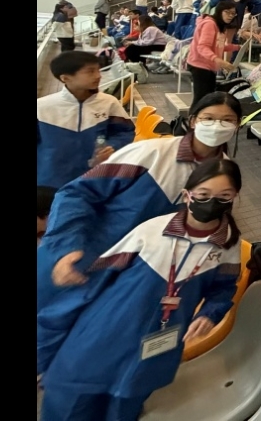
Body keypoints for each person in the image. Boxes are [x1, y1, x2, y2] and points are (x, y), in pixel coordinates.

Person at [37, 92, 243, 373]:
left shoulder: (225, 176)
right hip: (90, 256)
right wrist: (67, 245)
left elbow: (214, 237)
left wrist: (208, 305)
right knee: (55, 319)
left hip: (143, 278)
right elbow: (76, 193)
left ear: (237, 125)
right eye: (209, 118)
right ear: (193, 120)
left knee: (98, 343)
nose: (217, 126)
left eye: (227, 120)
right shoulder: (152, 154)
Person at [38, 158, 243, 421]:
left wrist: (209, 314)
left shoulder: (228, 245)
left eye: (224, 196)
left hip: (158, 344)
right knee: (71, 404)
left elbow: (223, 288)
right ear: (187, 195)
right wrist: (47, 343)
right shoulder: (151, 231)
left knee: (125, 407)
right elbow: (95, 280)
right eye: (203, 195)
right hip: (103, 336)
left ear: (234, 197)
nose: (212, 203)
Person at [37, 51, 134, 190]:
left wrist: (112, 146)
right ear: (65, 78)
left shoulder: (109, 103)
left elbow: (125, 132)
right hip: (50, 182)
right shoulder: (41, 107)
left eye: (98, 70)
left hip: (96, 180)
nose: (98, 76)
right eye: (90, 71)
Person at [186, 1, 238, 108]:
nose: (230, 16)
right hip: (199, 65)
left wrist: (237, 47)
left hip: (209, 66)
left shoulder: (221, 26)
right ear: (219, 11)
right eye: (227, 12)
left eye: (233, 13)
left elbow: (218, 46)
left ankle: (201, 117)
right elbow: (202, 47)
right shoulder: (210, 24)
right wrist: (219, 61)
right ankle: (194, 117)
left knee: (208, 98)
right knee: (201, 99)